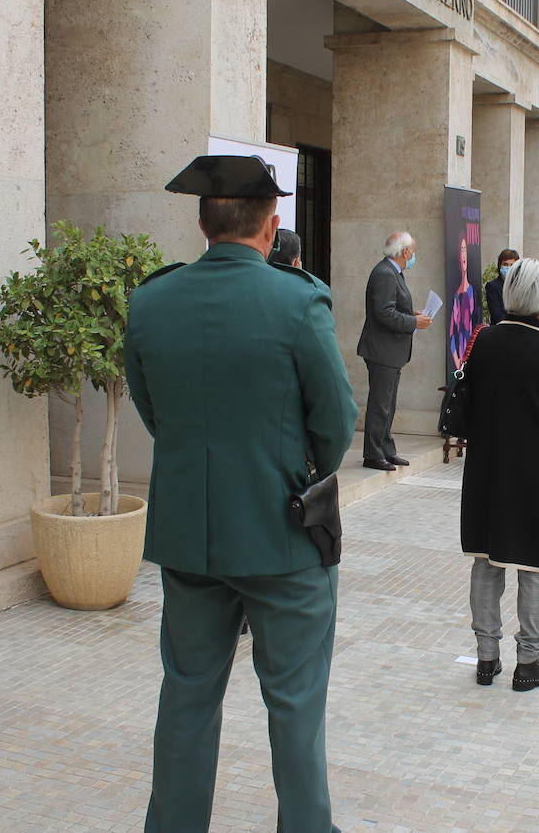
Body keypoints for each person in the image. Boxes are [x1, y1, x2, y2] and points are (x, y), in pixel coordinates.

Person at [125, 155, 357, 832]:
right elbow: (337, 419)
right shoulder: (297, 298)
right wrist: (300, 470)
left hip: (191, 538)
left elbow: (154, 411)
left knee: (188, 696)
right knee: (295, 703)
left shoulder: (151, 300)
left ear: (202, 223)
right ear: (271, 226)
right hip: (283, 532)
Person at [460, 258, 539, 691]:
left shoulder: (484, 342)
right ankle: (529, 662)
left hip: (487, 467)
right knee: (535, 566)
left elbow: (469, 404)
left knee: (486, 561)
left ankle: (485, 657)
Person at [357, 231, 431, 471]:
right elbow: (384, 313)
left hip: (391, 350)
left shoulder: (393, 272)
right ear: (405, 252)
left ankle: (386, 450)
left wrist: (412, 315)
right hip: (383, 350)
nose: (414, 256)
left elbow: (393, 308)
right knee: (380, 404)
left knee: (388, 403)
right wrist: (412, 323)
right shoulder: (385, 274)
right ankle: (373, 454)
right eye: (413, 251)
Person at [447, 235, 480, 372]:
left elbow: (478, 326)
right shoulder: (456, 295)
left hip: (473, 353)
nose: (463, 255)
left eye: (465, 250)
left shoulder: (473, 291)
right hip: (460, 359)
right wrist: (457, 360)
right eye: (461, 250)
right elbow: (452, 333)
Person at [484, 248, 519, 324]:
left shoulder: (520, 286)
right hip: (500, 331)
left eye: (512, 265)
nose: (509, 268)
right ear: (500, 266)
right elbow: (497, 315)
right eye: (505, 264)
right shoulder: (492, 286)